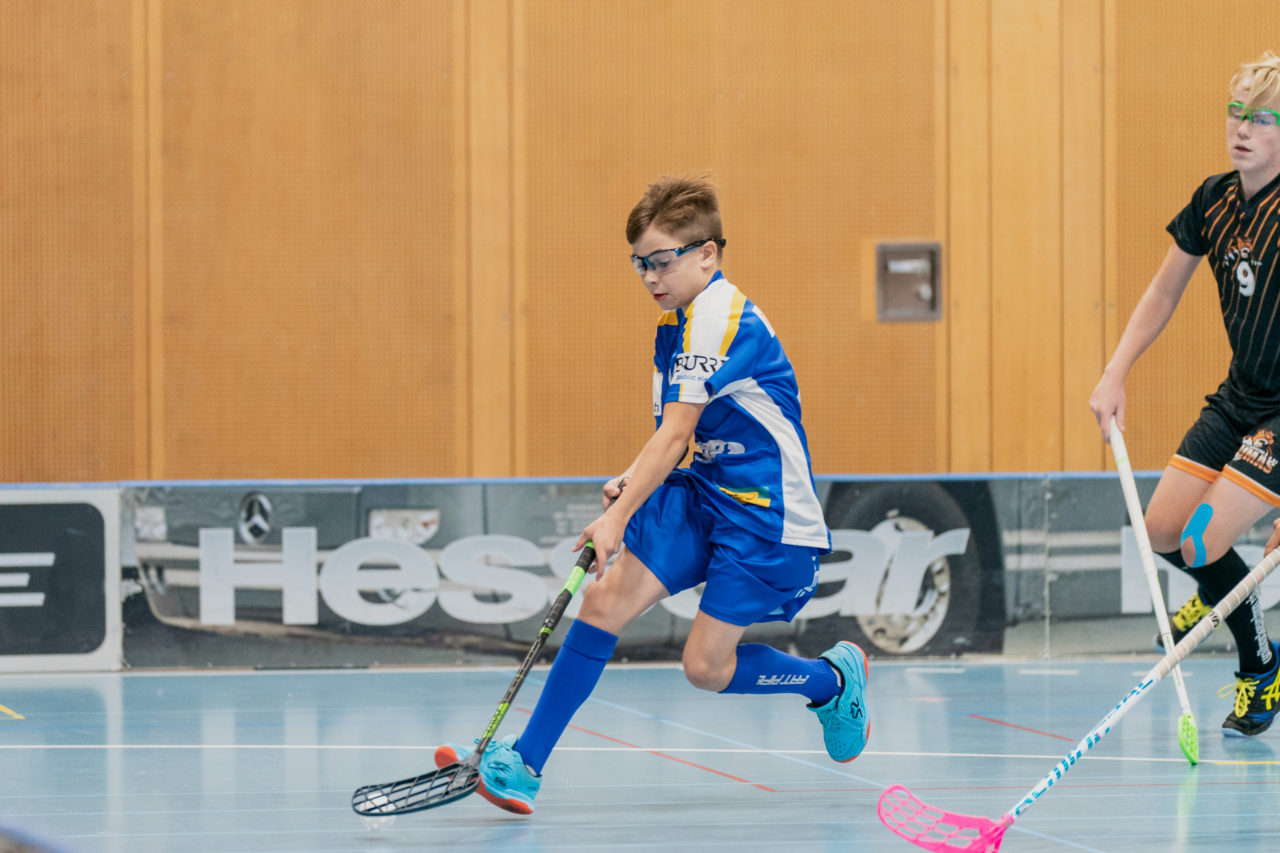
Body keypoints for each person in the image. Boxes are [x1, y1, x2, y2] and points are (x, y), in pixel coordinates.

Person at [434, 174, 868, 813]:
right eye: (640, 264)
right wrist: (630, 482)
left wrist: (618, 516)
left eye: (661, 261)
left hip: (768, 517)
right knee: (604, 600)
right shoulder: (675, 327)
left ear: (708, 254)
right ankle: (524, 763)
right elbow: (670, 441)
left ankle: (830, 682)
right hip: (707, 495)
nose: (649, 277)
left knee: (705, 669)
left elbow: (675, 434)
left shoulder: (723, 318)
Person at [1089, 51, 1280, 738]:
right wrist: (1116, 372)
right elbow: (1163, 290)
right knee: (1163, 529)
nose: (1243, 128)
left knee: (1201, 541)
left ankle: (1260, 667)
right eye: (1236, 112)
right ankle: (1217, 592)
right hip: (1239, 397)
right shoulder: (1214, 200)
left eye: (1262, 117)